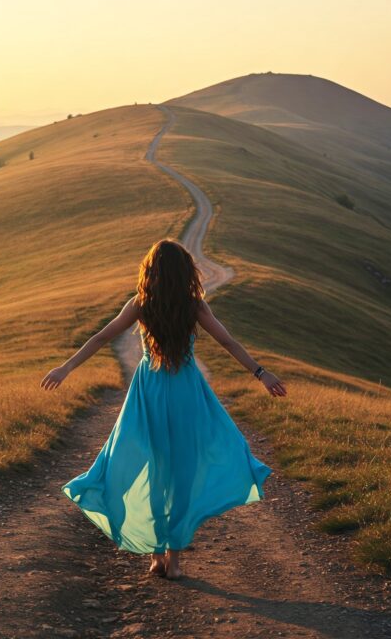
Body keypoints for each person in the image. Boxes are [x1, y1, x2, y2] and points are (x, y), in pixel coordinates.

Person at [40, 238, 287, 580]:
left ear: (151, 272)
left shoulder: (141, 304)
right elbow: (228, 342)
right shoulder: (194, 305)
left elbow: (101, 337)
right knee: (183, 471)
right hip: (186, 390)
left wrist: (65, 368)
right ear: (185, 271)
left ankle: (156, 555)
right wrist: (261, 373)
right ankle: (174, 557)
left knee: (156, 471)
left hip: (151, 390)